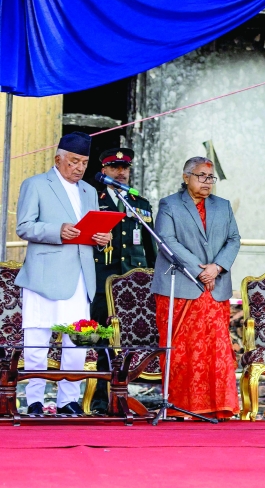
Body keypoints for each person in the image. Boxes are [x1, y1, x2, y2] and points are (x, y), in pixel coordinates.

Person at [15, 132, 111, 416]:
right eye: (74, 161)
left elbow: (91, 228)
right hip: (43, 275)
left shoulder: (89, 191)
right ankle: (33, 400)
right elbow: (24, 226)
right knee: (37, 340)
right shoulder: (35, 184)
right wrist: (56, 231)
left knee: (78, 342)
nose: (79, 168)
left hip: (80, 275)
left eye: (83, 162)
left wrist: (101, 237)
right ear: (58, 159)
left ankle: (68, 401)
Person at [151, 156, 240, 419]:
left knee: (217, 348)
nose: (207, 182)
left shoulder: (222, 206)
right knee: (182, 348)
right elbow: (166, 241)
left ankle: (218, 406)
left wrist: (217, 267)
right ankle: (181, 407)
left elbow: (234, 239)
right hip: (181, 288)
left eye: (210, 177)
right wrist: (201, 270)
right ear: (186, 176)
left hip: (215, 288)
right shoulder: (169, 204)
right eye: (201, 176)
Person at [90, 147, 157, 414]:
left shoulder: (139, 203)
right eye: (115, 167)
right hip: (102, 281)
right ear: (104, 170)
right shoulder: (96, 199)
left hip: (134, 284)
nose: (121, 173)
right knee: (102, 341)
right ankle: (97, 400)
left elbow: (150, 247)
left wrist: (152, 276)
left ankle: (123, 397)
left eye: (125, 168)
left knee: (130, 340)